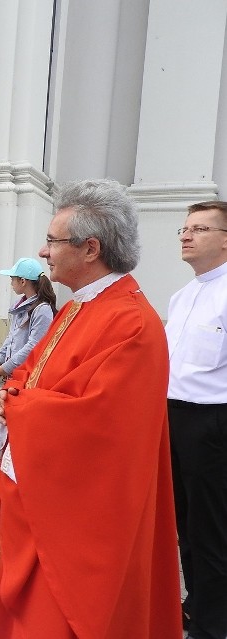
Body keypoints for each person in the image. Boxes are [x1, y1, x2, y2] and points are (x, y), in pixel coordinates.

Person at [0, 180, 182, 638]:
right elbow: (32, 370)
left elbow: (103, 424)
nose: (43, 251)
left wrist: (21, 407)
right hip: (38, 492)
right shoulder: (79, 307)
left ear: (90, 248)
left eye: (52, 240)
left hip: (76, 524)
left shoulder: (132, 322)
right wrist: (9, 393)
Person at [165, 200, 227, 639]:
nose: (187, 236)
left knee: (212, 529)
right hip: (173, 418)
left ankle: (213, 622)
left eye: (200, 229)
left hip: (214, 426)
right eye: (185, 228)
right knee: (183, 523)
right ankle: (197, 602)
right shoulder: (182, 295)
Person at [0, 257, 56, 479]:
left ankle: (13, 461)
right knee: (7, 417)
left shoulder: (41, 309)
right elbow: (11, 337)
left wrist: (8, 366)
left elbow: (35, 345)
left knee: (16, 418)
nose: (11, 283)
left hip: (26, 374)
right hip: (12, 372)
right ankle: (3, 459)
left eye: (13, 279)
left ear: (23, 281)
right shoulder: (22, 306)